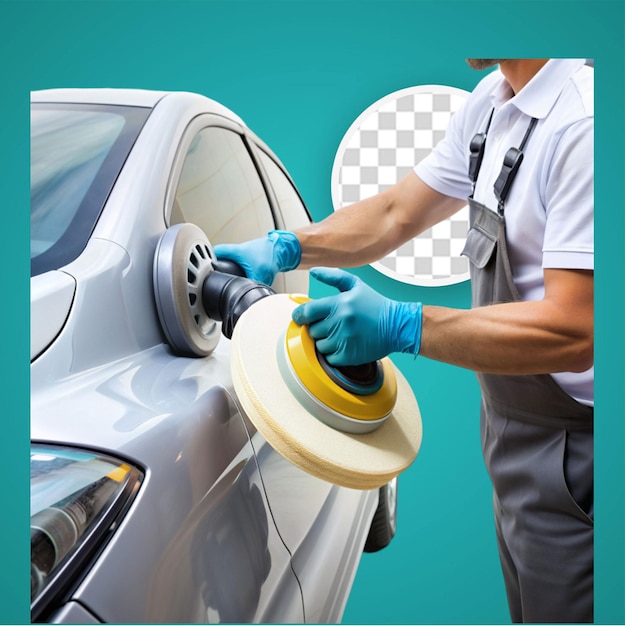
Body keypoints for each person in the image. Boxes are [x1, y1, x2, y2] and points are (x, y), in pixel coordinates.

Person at [214, 59, 594, 624]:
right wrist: (288, 246)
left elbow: (577, 330)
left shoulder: (584, 124)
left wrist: (403, 323)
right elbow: (394, 215)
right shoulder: (494, 103)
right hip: (512, 431)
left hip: (580, 456)